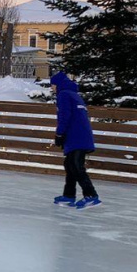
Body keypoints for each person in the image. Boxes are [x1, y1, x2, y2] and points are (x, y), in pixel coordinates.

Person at [51, 71, 100, 208]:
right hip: (81, 136)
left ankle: (91, 195)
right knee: (70, 165)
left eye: (53, 85)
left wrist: (59, 134)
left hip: (76, 137)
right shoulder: (74, 95)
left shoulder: (63, 95)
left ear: (58, 84)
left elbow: (64, 116)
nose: (52, 88)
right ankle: (69, 195)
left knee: (76, 166)